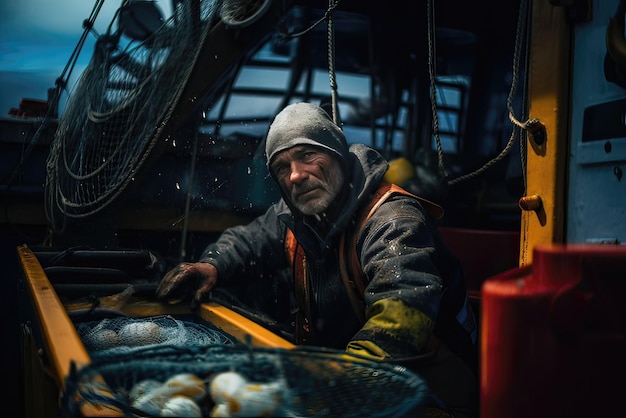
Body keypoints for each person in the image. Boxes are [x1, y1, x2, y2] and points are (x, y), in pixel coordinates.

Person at [156, 102, 478, 416]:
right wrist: (210, 265)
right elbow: (249, 239)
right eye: (282, 167)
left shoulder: (392, 219)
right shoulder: (298, 215)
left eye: (307, 155)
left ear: (337, 154)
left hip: (429, 395)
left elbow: (403, 309)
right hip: (351, 381)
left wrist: (338, 384)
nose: (295, 175)